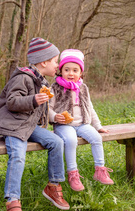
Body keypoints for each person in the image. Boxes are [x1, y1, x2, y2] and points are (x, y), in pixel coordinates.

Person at [0, 37, 70, 211]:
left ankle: (53, 186)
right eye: (55, 61)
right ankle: (12, 201)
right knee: (18, 155)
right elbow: (12, 102)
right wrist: (34, 100)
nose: (58, 65)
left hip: (28, 126)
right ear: (43, 62)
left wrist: (51, 117)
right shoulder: (22, 77)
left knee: (57, 142)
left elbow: (40, 111)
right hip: (13, 126)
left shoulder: (40, 80)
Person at [49, 49, 114, 192]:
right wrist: (54, 117)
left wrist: (98, 126)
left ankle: (100, 170)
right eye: (67, 70)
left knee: (96, 138)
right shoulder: (55, 88)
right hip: (64, 125)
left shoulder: (83, 88)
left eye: (75, 70)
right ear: (61, 71)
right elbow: (47, 108)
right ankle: (73, 174)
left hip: (82, 124)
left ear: (81, 73)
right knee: (71, 141)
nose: (71, 73)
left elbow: (90, 107)